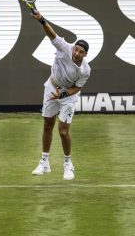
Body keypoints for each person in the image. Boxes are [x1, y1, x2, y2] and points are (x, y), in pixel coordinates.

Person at [31, 9, 91, 180]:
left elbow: (77, 88)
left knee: (63, 131)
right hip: (51, 87)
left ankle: (68, 164)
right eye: (76, 49)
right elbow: (52, 34)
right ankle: (44, 163)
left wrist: (63, 95)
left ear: (85, 55)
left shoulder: (85, 70)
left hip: (68, 96)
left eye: (81, 52)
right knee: (47, 125)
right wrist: (41, 19)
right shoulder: (65, 48)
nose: (77, 53)